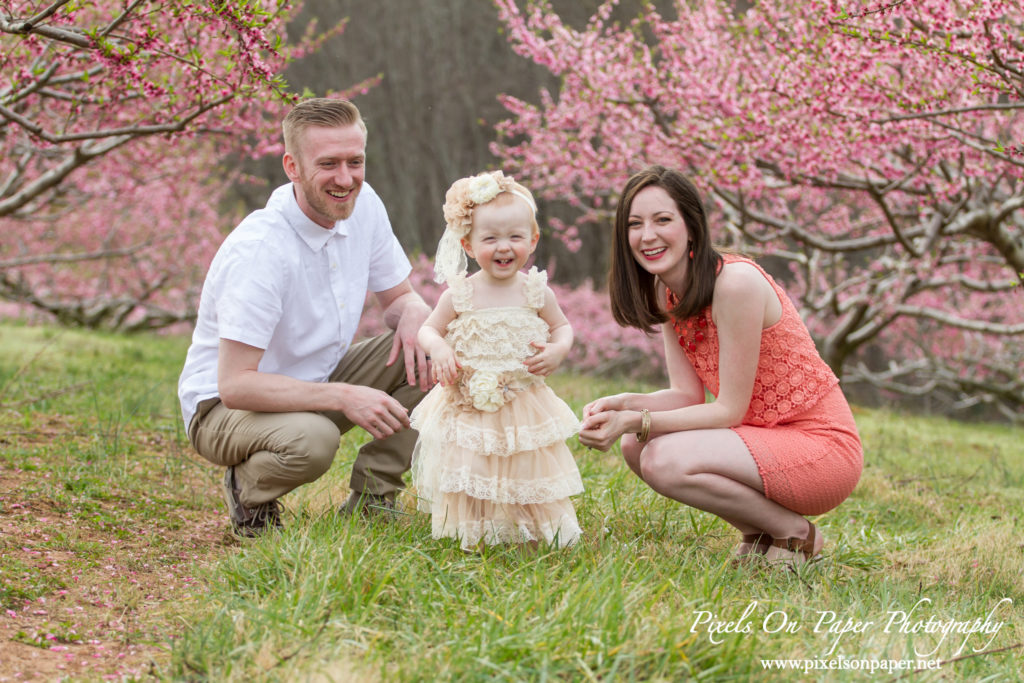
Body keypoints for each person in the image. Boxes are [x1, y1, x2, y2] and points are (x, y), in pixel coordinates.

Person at [579, 166, 862, 567]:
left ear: (691, 226)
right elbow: (685, 396)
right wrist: (622, 405)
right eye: (635, 224)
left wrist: (633, 419)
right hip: (762, 440)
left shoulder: (735, 283)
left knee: (662, 458)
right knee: (635, 444)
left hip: (821, 450)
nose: (647, 236)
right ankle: (761, 534)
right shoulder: (667, 291)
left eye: (663, 220)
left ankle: (796, 536)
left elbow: (728, 410)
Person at [177, 98, 432, 536]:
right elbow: (236, 384)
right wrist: (344, 397)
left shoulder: (364, 204)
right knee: (315, 441)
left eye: (356, 162)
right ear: (292, 167)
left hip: (319, 378)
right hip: (223, 409)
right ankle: (247, 490)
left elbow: (398, 298)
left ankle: (373, 499)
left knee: (436, 354)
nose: (346, 178)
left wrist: (415, 313)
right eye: (328, 164)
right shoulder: (261, 250)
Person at [411, 170, 583, 551]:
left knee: (526, 467)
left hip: (523, 402)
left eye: (515, 237)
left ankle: (532, 530)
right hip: (470, 405)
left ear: (533, 240)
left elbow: (562, 327)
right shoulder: (461, 294)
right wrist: (439, 349)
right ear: (469, 246)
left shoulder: (535, 291)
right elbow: (428, 329)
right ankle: (478, 531)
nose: (504, 247)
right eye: (490, 238)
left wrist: (558, 349)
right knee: (473, 469)